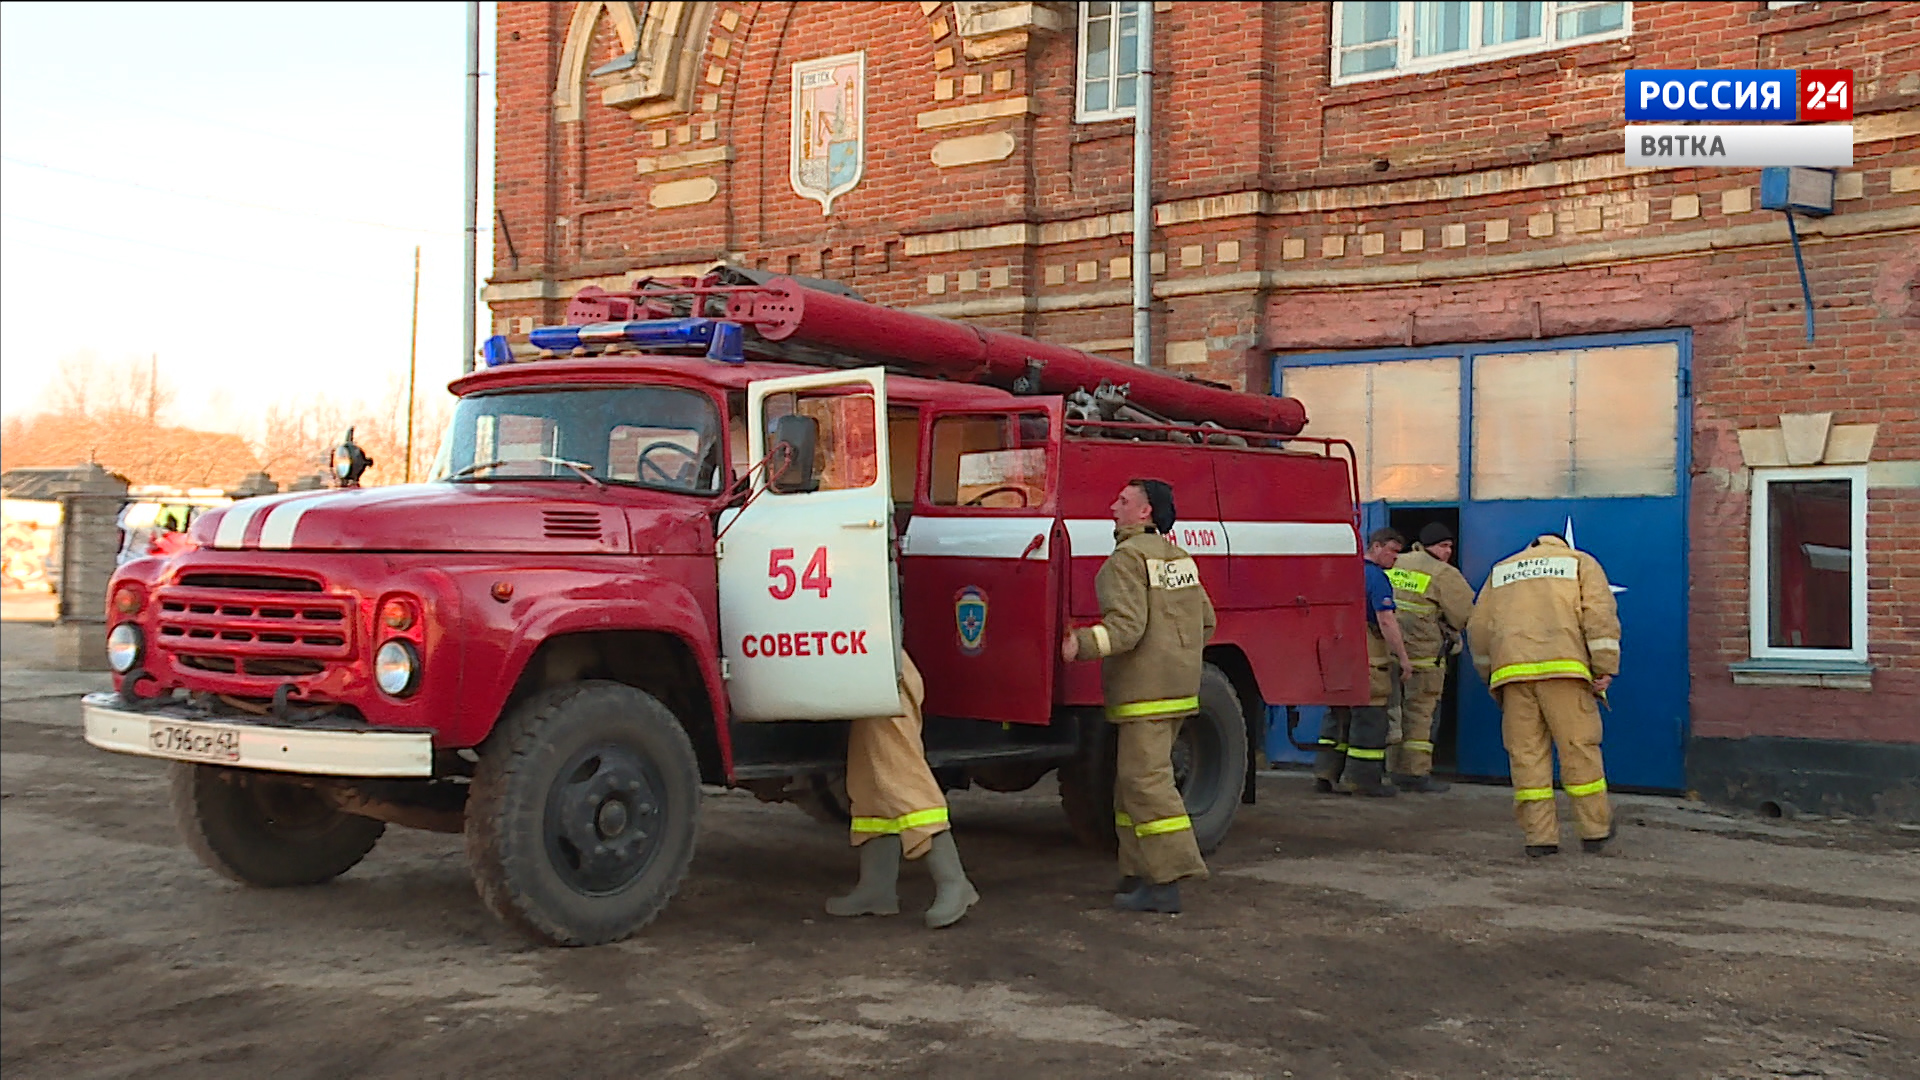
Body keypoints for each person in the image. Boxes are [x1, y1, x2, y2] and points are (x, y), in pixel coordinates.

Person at [1060, 478, 1214, 915]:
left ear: (1145, 512)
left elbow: (1126, 630)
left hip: (1144, 693)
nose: (1113, 507)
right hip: (1178, 689)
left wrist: (1078, 645)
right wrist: (1176, 659)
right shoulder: (1179, 557)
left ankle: (1168, 880)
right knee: (1130, 786)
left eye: (1123, 501)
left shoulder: (1125, 560)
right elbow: (1206, 621)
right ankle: (1136, 871)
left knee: (1146, 785)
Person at [1466, 532, 1621, 857]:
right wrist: (1604, 666)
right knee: (1578, 749)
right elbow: (1598, 615)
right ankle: (1594, 831)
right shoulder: (1579, 562)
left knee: (1527, 755)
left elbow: (1478, 629)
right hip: (1565, 672)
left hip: (1512, 675)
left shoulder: (1502, 570)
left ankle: (1539, 838)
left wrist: (1489, 675)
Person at [825, 649, 980, 928]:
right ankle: (876, 887)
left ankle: (953, 881)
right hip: (866, 673)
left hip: (884, 674)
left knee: (902, 777)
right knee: (869, 782)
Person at [1313, 528, 1414, 798]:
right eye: (1392, 550)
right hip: (1369, 660)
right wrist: (1403, 658)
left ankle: (1326, 773)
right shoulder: (1377, 578)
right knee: (1370, 718)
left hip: (1337, 656)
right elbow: (1386, 621)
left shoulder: (1344, 573)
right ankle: (1363, 780)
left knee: (1338, 714)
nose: (1396, 557)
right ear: (1376, 547)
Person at [1384, 523, 1475, 793]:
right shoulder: (1443, 573)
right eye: (1443, 546)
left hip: (1388, 655)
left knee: (1392, 713)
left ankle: (1391, 768)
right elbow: (1464, 615)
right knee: (1420, 714)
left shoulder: (1396, 562)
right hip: (1423, 659)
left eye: (1450, 547)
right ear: (1429, 546)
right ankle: (1414, 773)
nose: (1447, 552)